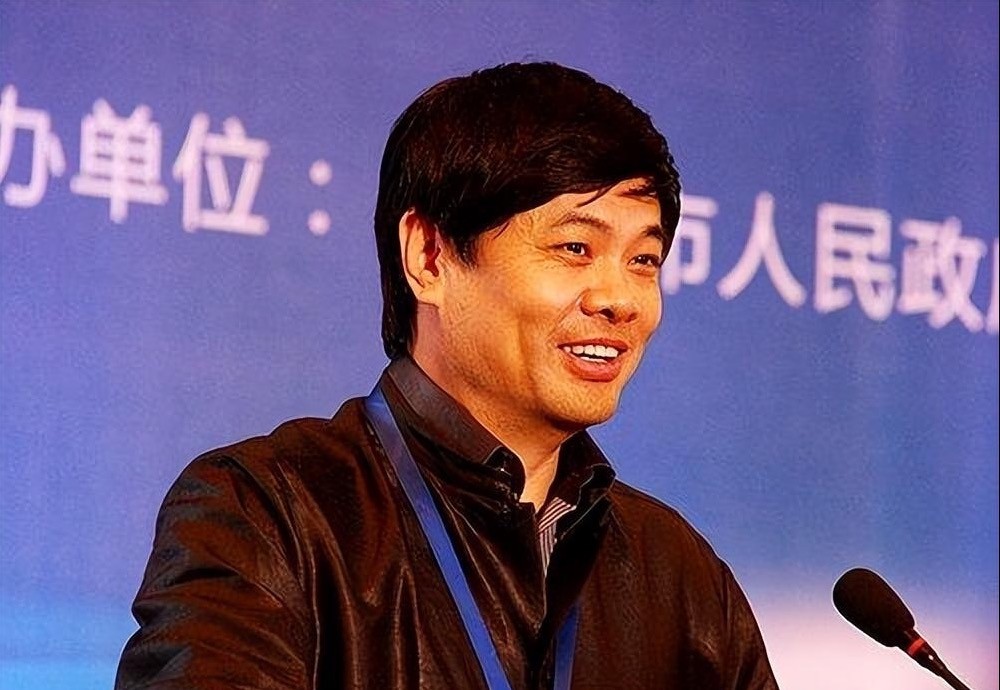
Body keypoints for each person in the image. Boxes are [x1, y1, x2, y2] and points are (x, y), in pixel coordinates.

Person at [116, 62, 778, 690]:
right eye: (575, 247)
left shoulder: (680, 576)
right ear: (429, 257)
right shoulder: (268, 514)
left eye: (643, 260)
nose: (621, 300)